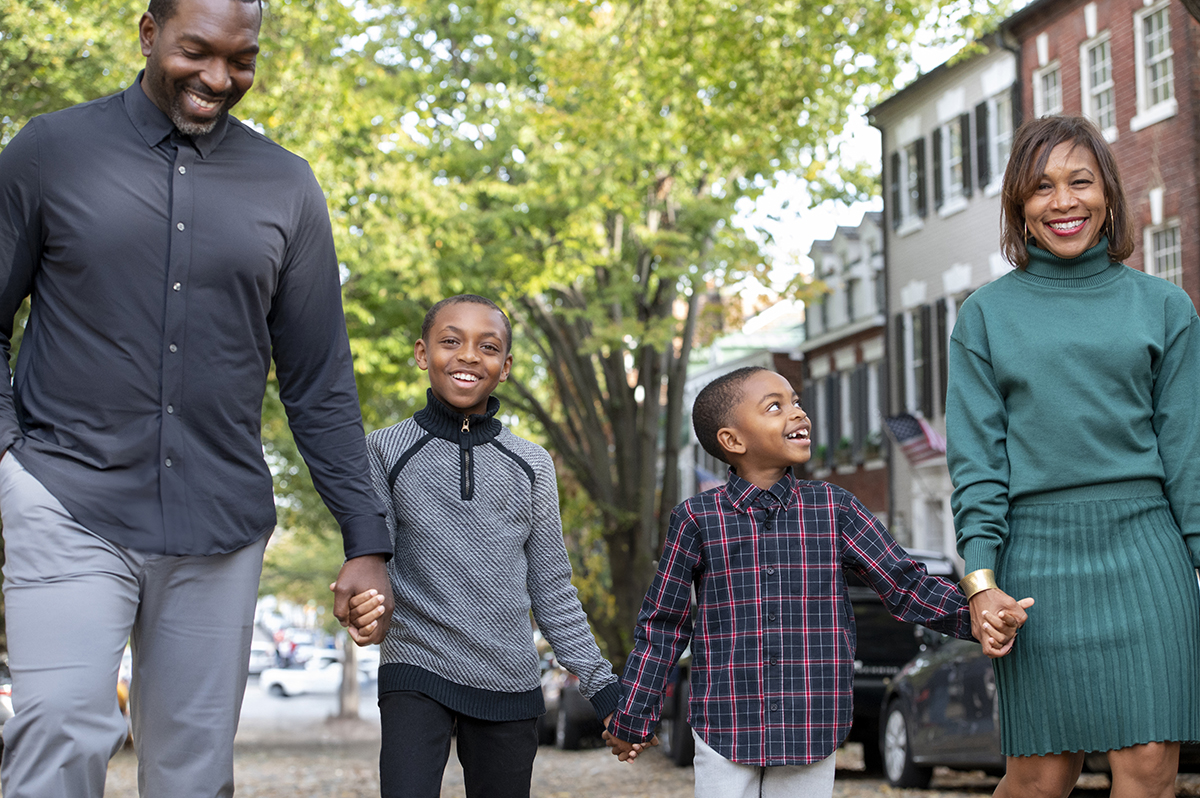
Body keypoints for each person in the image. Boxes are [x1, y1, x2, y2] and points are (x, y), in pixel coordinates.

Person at [0, 0, 394, 795]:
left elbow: (318, 380)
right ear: (149, 35)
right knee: (61, 728)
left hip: (219, 521)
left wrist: (366, 538)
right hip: (67, 495)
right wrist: (10, 456)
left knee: (193, 773)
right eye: (197, 51)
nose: (218, 77)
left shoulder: (288, 186)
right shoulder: (48, 152)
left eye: (241, 60)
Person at [603, 367, 1020, 798]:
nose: (798, 413)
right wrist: (632, 716)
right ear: (733, 440)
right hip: (725, 720)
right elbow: (664, 624)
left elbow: (905, 585)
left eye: (796, 402)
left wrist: (981, 616)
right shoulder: (696, 518)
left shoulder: (836, 509)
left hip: (812, 720)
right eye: (775, 407)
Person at [947, 114, 1200, 798]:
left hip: (1148, 556)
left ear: (1108, 193)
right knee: (1039, 776)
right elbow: (977, 465)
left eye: (1080, 182)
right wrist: (980, 580)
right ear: (1019, 205)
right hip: (1037, 563)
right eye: (1042, 187)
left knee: (1149, 767)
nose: (1063, 202)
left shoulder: (1165, 307)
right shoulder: (984, 316)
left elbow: (1189, 454)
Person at [365, 294, 620, 798]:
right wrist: (364, 607)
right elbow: (373, 561)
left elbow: (552, 590)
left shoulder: (532, 463)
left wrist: (604, 689)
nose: (468, 355)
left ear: (505, 367)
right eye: (450, 341)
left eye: (487, 347)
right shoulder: (384, 450)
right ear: (422, 353)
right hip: (416, 663)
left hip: (508, 677)